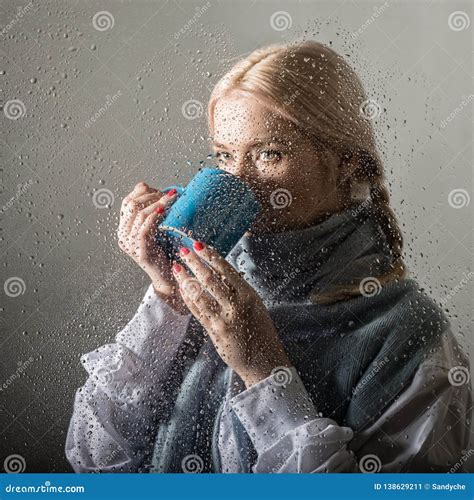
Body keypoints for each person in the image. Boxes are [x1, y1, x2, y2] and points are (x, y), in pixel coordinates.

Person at [65, 41, 472, 473]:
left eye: (269, 154)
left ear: (347, 164)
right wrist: (167, 296)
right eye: (224, 155)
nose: (238, 180)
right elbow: (93, 462)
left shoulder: (411, 335)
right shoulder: (201, 292)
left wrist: (264, 370)